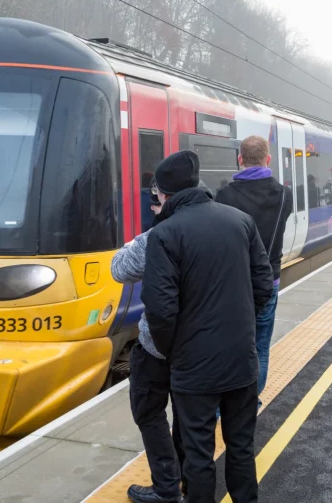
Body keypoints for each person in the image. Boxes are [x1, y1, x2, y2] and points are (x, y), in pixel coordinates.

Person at [143, 150, 273, 503]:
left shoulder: (164, 234)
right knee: (241, 446)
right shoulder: (240, 221)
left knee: (199, 456)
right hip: (241, 360)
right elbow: (264, 285)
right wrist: (242, 326)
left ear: (164, 195)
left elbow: (160, 311)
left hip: (194, 367)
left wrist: (175, 352)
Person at [112, 187, 186, 503]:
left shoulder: (157, 235)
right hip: (198, 346)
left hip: (157, 346)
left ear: (165, 198)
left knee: (149, 412)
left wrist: (132, 242)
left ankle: (167, 487)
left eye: (155, 197)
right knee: (189, 415)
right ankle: (188, 481)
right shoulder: (231, 223)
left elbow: (121, 268)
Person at [215, 135, 293, 405]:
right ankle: (249, 402)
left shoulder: (224, 195)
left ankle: (219, 407)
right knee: (260, 346)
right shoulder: (285, 194)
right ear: (268, 159)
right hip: (267, 282)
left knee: (227, 347)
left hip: (231, 286)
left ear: (240, 160)